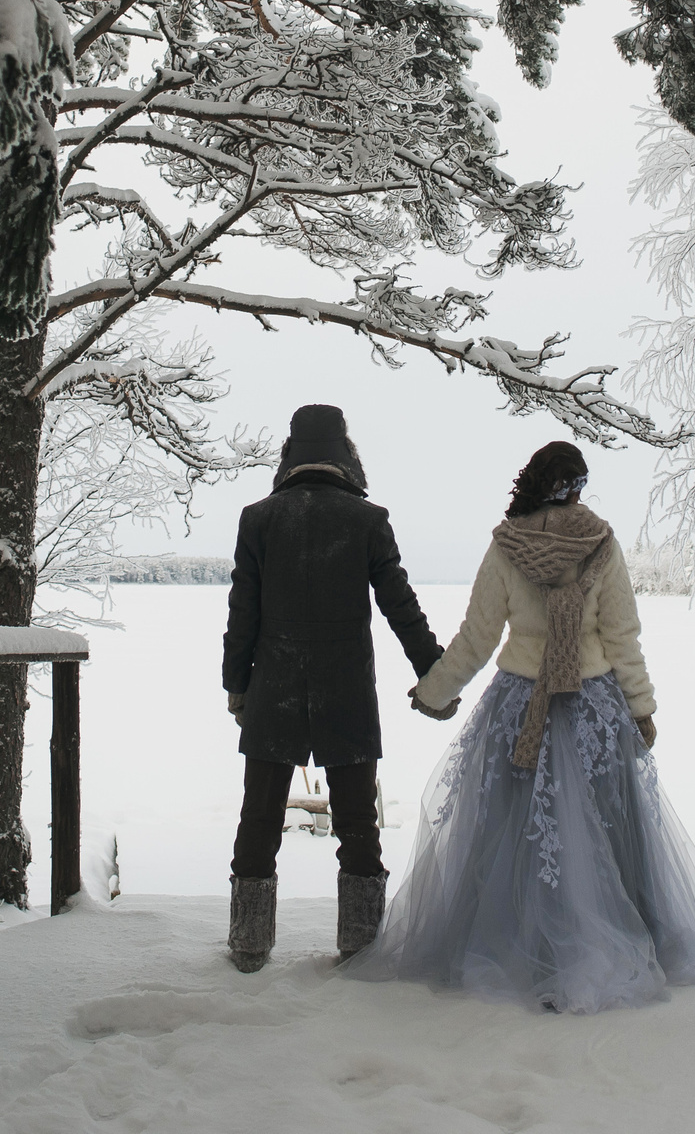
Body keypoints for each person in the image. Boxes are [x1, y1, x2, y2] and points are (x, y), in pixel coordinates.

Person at [343, 440, 695, 1013]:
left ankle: (513, 949)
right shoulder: (600, 543)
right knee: (602, 838)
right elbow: (622, 637)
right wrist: (641, 706)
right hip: (593, 710)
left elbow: (477, 638)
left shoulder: (506, 545)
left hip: (518, 714)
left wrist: (435, 692)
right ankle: (616, 946)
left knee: (514, 837)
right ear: (578, 486)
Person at [222, 404, 443, 973]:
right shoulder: (366, 520)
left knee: (259, 817)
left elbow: (242, 610)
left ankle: (250, 945)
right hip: (347, 691)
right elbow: (401, 606)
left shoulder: (259, 518)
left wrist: (236, 683)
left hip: (274, 688)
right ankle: (361, 944)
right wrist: (434, 671)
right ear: (345, 451)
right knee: (357, 823)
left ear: (290, 451)